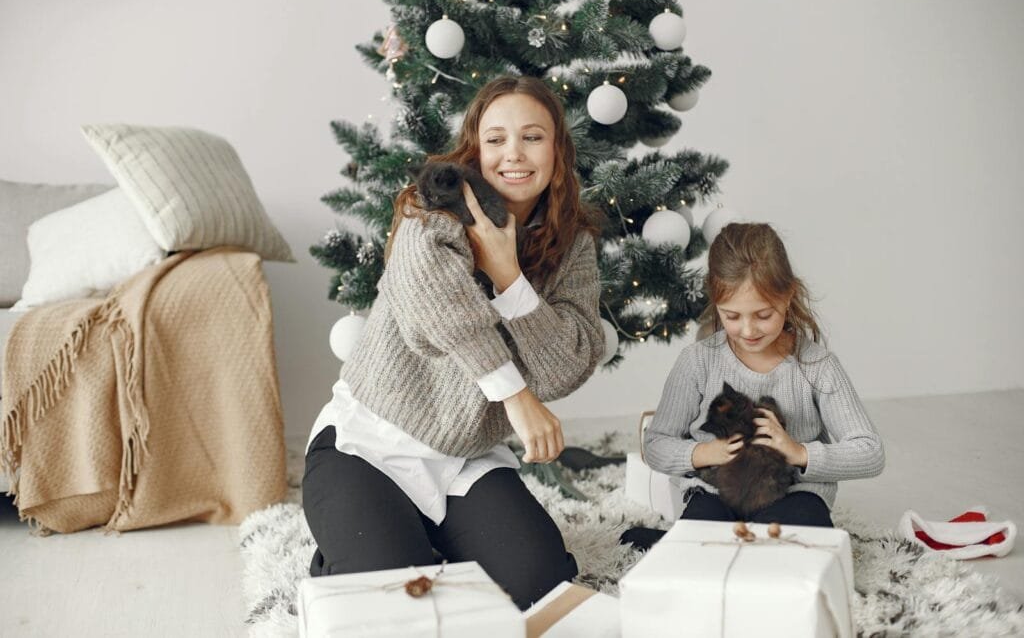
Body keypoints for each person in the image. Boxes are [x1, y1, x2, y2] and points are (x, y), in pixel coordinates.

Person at [302, 75, 605, 609]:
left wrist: (508, 274)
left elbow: (569, 363)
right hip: (368, 445)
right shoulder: (433, 210)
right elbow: (435, 312)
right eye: (496, 140)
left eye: (532, 137)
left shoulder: (573, 242)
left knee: (541, 584)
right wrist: (515, 394)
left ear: (558, 150)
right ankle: (351, 555)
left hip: (464, 458)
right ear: (476, 149)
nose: (514, 153)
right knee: (399, 595)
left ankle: (423, 540)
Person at [624, 223, 884, 549]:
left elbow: (871, 452)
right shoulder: (697, 361)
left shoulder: (818, 366)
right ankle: (679, 542)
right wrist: (704, 453)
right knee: (698, 556)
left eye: (763, 314)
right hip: (717, 492)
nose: (748, 330)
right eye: (732, 316)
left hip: (792, 494)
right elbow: (657, 444)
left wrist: (798, 452)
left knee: (796, 551)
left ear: (788, 295)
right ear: (715, 303)